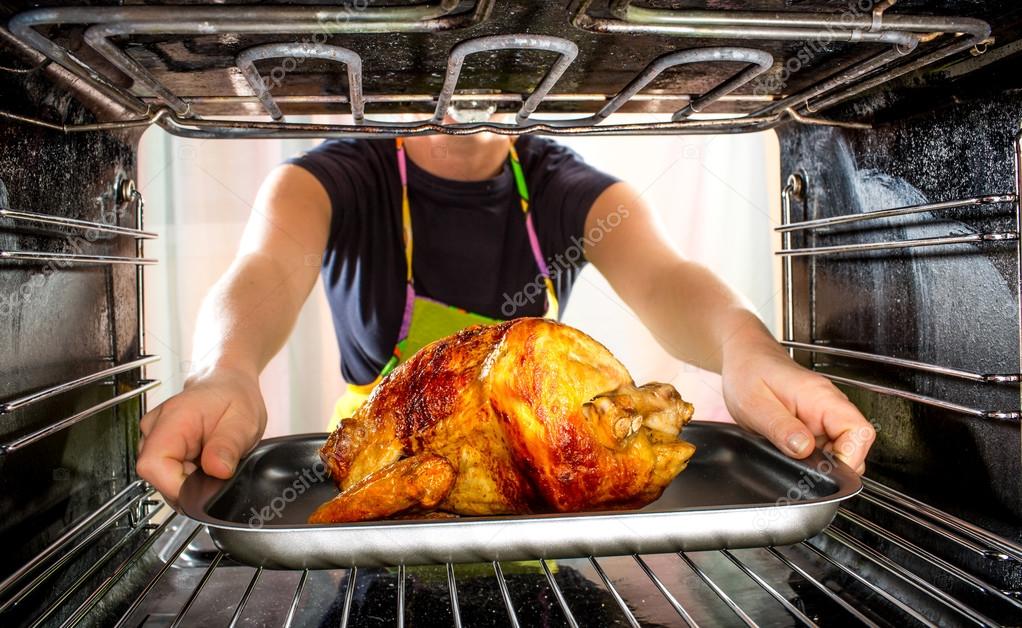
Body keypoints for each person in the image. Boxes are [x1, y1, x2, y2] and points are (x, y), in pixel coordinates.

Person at [136, 127, 876, 502]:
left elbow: (670, 278)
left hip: (534, 485)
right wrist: (224, 370)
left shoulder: (566, 187)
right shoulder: (335, 179)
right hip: (388, 481)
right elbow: (262, 272)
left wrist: (747, 349)